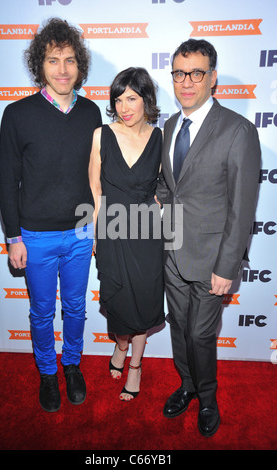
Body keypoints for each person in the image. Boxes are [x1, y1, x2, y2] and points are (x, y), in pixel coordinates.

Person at [156, 39, 261, 436]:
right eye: (180, 73)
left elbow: (242, 208)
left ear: (212, 77)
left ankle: (208, 396)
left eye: (196, 72)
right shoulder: (169, 126)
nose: (187, 81)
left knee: (201, 334)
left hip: (212, 258)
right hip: (173, 253)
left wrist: (227, 267)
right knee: (180, 329)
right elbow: (172, 188)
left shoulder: (238, 130)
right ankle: (186, 386)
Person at [0, 18, 102, 413]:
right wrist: (13, 238)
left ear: (80, 66)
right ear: (40, 65)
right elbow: (7, 181)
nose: (63, 69)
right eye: (54, 60)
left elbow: (98, 176)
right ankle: (46, 372)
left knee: (75, 307)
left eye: (70, 60)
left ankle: (71, 365)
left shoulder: (92, 113)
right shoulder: (17, 114)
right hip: (35, 236)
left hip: (80, 233)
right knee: (41, 312)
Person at [89, 67, 165, 401]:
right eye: (118, 99)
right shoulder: (101, 134)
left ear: (146, 99)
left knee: (144, 302)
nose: (124, 107)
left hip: (147, 233)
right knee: (118, 302)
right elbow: (94, 187)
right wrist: (95, 232)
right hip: (111, 230)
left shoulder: (160, 137)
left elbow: (166, 185)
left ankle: (135, 365)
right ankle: (120, 345)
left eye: (131, 98)